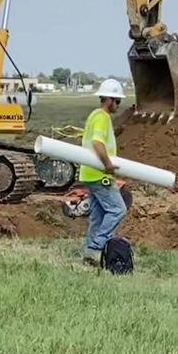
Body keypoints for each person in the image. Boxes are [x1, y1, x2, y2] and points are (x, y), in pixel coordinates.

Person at [80, 78, 128, 264]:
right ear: (108, 99)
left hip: (89, 174)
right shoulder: (102, 117)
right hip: (100, 175)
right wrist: (108, 164)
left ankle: (90, 255)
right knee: (118, 210)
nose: (118, 105)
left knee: (98, 215)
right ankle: (95, 247)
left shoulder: (93, 115)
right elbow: (97, 143)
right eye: (117, 101)